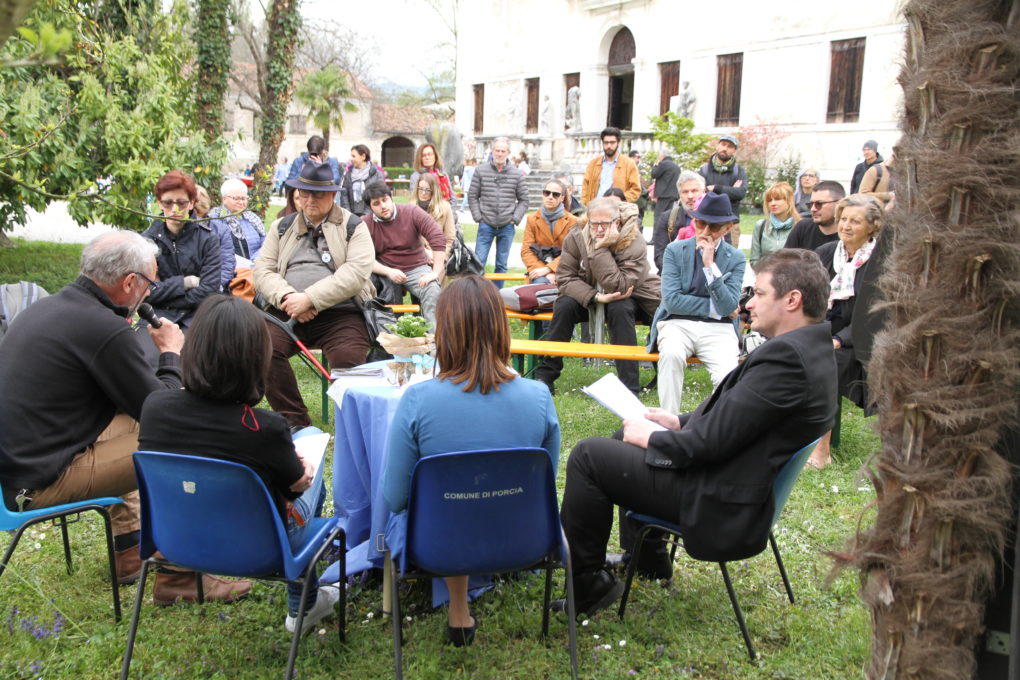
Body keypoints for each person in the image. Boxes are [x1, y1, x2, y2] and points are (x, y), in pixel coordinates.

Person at [553, 249, 838, 615]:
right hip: (736, 483)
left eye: (759, 293)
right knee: (619, 437)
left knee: (589, 455)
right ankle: (647, 557)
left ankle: (589, 582)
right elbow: (741, 421)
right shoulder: (811, 348)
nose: (748, 303)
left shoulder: (787, 360)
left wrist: (653, 438)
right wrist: (678, 422)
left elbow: (707, 445)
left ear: (792, 300)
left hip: (720, 499)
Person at [0, 231, 244, 603]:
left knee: (139, 425)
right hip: (39, 481)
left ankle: (130, 551)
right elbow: (165, 409)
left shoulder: (52, 306)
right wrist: (171, 353)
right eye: (150, 281)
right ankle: (178, 576)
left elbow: (130, 404)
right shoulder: (102, 328)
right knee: (183, 440)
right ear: (130, 282)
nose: (152, 290)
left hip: (21, 464)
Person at [138, 296, 340, 632]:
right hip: (262, 548)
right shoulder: (265, 427)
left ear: (195, 346)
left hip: (176, 541)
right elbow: (297, 485)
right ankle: (303, 605)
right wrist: (302, 473)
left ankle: (306, 600)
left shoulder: (155, 408)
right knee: (311, 442)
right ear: (255, 359)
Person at [381, 276, 560, 647]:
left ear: (443, 330)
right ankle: (462, 604)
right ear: (501, 327)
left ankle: (458, 608)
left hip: (437, 542)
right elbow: (542, 485)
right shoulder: (538, 396)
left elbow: (395, 498)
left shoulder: (417, 401)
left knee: (448, 506)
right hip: (524, 537)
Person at [253, 162, 375, 429]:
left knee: (347, 360)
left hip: (341, 314)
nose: (309, 200)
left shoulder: (354, 226)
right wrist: (288, 298)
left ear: (332, 195)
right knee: (263, 349)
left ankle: (353, 425)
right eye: (304, 194)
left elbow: (356, 273)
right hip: (286, 311)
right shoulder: (281, 226)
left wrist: (310, 298)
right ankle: (295, 421)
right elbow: (262, 270)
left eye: (317, 194)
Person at [534, 197, 660, 395]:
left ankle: (629, 386)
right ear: (588, 220)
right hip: (591, 294)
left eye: (605, 223)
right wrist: (595, 297)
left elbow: (619, 285)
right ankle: (545, 376)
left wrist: (600, 249)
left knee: (621, 308)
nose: (599, 229)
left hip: (630, 296)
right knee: (565, 305)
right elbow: (565, 278)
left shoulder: (633, 239)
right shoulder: (577, 235)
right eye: (595, 224)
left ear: (616, 222)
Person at [647, 192, 746, 414]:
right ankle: (668, 421)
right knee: (671, 356)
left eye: (714, 227)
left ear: (727, 229)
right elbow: (672, 302)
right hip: (676, 323)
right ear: (694, 220)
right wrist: (715, 307)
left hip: (718, 329)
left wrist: (710, 266)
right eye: (701, 223)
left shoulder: (736, 258)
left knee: (727, 375)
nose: (705, 232)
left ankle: (713, 425)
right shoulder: (675, 250)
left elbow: (728, 306)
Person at [808, 195, 884, 469]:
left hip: (861, 339)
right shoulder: (827, 253)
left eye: (855, 221)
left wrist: (839, 340)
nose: (846, 226)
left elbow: (875, 314)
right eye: (843, 219)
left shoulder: (880, 260)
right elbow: (810, 294)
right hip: (822, 330)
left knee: (824, 365)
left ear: (872, 227)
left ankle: (822, 450)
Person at [141, 169, 221, 330]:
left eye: (181, 202)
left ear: (192, 202)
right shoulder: (147, 240)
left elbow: (208, 291)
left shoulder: (208, 239)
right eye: (168, 202)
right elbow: (144, 291)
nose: (175, 209)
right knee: (144, 353)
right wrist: (185, 283)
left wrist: (163, 293)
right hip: (156, 317)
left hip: (197, 318)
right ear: (159, 202)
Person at [362, 181, 446, 324]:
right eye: (376, 203)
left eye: (385, 200)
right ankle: (386, 338)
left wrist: (435, 272)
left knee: (432, 290)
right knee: (366, 290)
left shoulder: (412, 212)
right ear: (370, 207)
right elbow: (363, 259)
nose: (383, 206)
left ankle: (434, 340)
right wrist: (388, 271)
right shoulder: (365, 224)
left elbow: (437, 237)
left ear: (391, 198)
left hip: (416, 267)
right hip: (384, 271)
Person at [467, 137, 528, 288]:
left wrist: (515, 219)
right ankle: (477, 293)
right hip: (485, 224)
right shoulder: (481, 170)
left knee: (501, 264)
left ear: (508, 153)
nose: (500, 154)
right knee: (478, 261)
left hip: (507, 225)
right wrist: (478, 217)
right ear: (492, 151)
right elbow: (472, 196)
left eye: (503, 151)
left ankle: (496, 294)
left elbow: (524, 200)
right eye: (497, 150)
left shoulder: (516, 173)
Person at [521, 179, 577, 284]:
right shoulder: (531, 218)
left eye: (555, 194)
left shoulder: (573, 221)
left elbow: (572, 252)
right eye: (547, 193)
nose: (550, 197)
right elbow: (526, 250)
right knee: (539, 284)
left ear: (562, 198)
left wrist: (550, 269)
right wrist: (543, 271)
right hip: (538, 269)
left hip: (565, 269)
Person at [652, 171, 705, 273]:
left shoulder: (717, 218)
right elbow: (659, 256)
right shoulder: (668, 218)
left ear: (703, 191)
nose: (690, 196)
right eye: (685, 192)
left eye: (694, 191)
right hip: (673, 276)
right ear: (679, 195)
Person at [698, 134, 747, 241]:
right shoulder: (704, 170)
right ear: (718, 146)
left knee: (729, 256)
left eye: (729, 146)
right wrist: (730, 191)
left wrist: (715, 188)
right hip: (706, 222)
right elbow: (699, 193)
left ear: (734, 150)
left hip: (731, 224)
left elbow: (740, 193)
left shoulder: (739, 171)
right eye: (723, 144)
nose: (725, 149)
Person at [209, 177, 266, 267]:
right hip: (229, 268)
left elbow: (265, 240)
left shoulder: (252, 218)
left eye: (244, 198)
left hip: (256, 266)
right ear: (224, 199)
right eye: (236, 198)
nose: (241, 202)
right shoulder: (216, 219)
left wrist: (255, 260)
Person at [580, 127, 641, 204]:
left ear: (618, 143)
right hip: (595, 208)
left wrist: (618, 200)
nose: (609, 146)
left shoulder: (629, 164)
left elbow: (635, 190)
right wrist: (585, 206)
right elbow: (585, 188)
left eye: (612, 142)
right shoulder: (593, 164)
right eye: (606, 142)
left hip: (618, 209)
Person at [783, 180, 846, 252]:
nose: (813, 209)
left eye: (819, 204)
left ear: (838, 204)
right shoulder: (803, 228)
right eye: (810, 204)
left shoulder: (847, 234)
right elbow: (785, 260)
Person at [414, 173, 456, 280]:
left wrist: (439, 257)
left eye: (427, 190)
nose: (423, 193)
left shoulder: (445, 208)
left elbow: (449, 239)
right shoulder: (411, 208)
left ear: (434, 191)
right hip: (417, 258)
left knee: (436, 288)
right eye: (420, 189)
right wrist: (424, 255)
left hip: (439, 257)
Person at [750, 182, 801, 267]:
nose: (773, 203)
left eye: (777, 199)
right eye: (769, 200)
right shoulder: (760, 226)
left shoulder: (800, 226)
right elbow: (754, 259)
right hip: (765, 276)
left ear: (789, 200)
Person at [339, 144, 387, 216]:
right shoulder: (348, 175)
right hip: (351, 217)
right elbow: (344, 196)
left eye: (354, 156)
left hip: (371, 216)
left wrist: (366, 215)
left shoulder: (376, 174)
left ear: (363, 157)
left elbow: (378, 195)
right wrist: (349, 215)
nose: (351, 159)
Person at [650, 153, 681, 219]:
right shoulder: (676, 166)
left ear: (662, 156)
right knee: (668, 216)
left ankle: (657, 229)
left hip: (664, 194)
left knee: (658, 215)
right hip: (673, 194)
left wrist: (655, 166)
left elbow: (654, 174)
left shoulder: (663, 164)